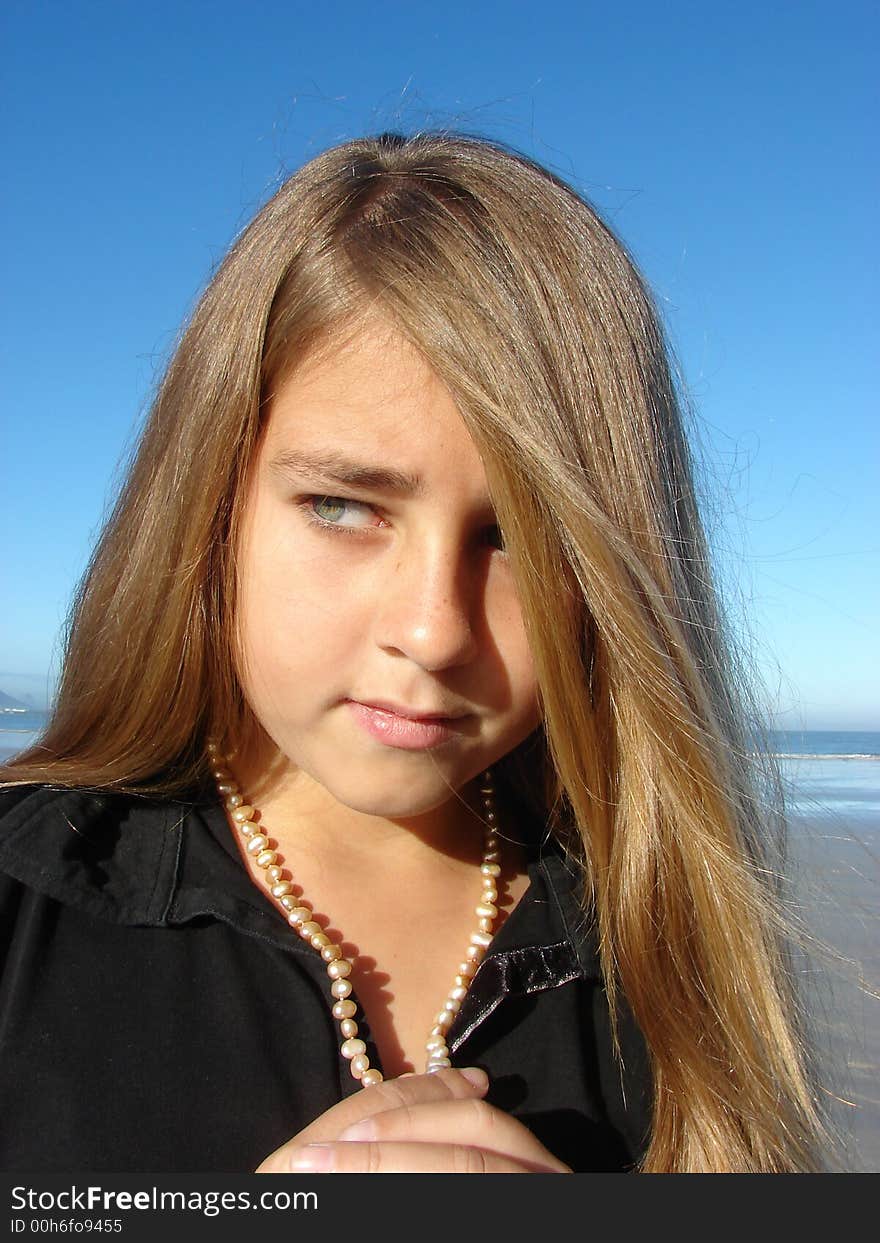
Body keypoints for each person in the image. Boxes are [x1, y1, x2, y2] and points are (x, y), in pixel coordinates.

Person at [0, 130, 827, 1173]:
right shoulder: (27, 901)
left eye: (521, 541)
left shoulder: (661, 954)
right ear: (209, 507)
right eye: (343, 506)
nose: (433, 630)